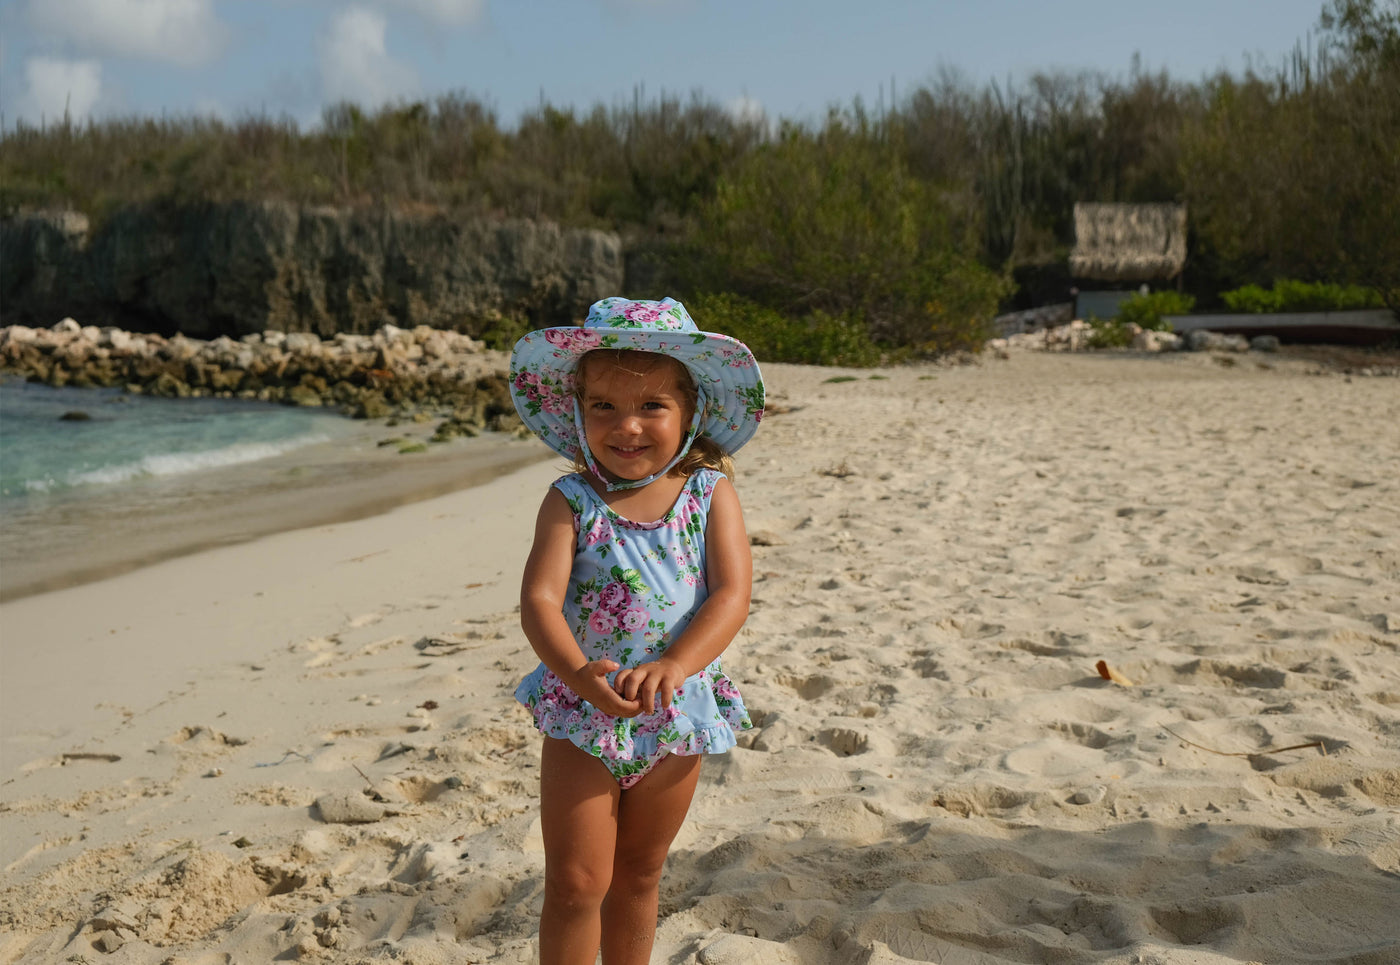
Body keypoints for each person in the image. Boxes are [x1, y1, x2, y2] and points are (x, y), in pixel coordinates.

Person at [509, 296, 765, 964]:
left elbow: (731, 595)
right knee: (574, 881)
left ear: (689, 410)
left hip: (673, 711)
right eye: (604, 406)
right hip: (583, 711)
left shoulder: (710, 494)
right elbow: (539, 598)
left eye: (651, 405)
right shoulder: (571, 500)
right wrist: (576, 673)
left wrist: (676, 664)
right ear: (578, 409)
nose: (627, 426)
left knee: (639, 874)